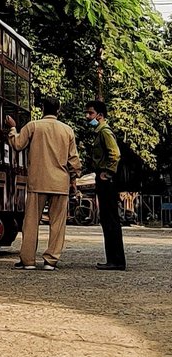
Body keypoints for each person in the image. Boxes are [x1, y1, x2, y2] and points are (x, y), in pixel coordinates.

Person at [7, 97, 80, 270]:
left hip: (38, 181)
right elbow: (73, 160)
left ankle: (28, 260)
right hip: (60, 183)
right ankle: (51, 260)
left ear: (42, 108)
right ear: (58, 111)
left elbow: (17, 144)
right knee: (57, 224)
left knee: (31, 222)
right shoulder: (67, 130)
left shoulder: (33, 126)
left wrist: (12, 128)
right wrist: (74, 179)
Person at [85, 100, 126, 271]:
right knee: (107, 219)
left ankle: (116, 260)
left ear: (100, 115)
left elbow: (115, 154)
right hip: (104, 179)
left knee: (110, 220)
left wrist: (108, 172)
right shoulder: (99, 132)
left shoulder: (104, 132)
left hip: (106, 181)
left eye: (91, 113)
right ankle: (113, 259)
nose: (88, 116)